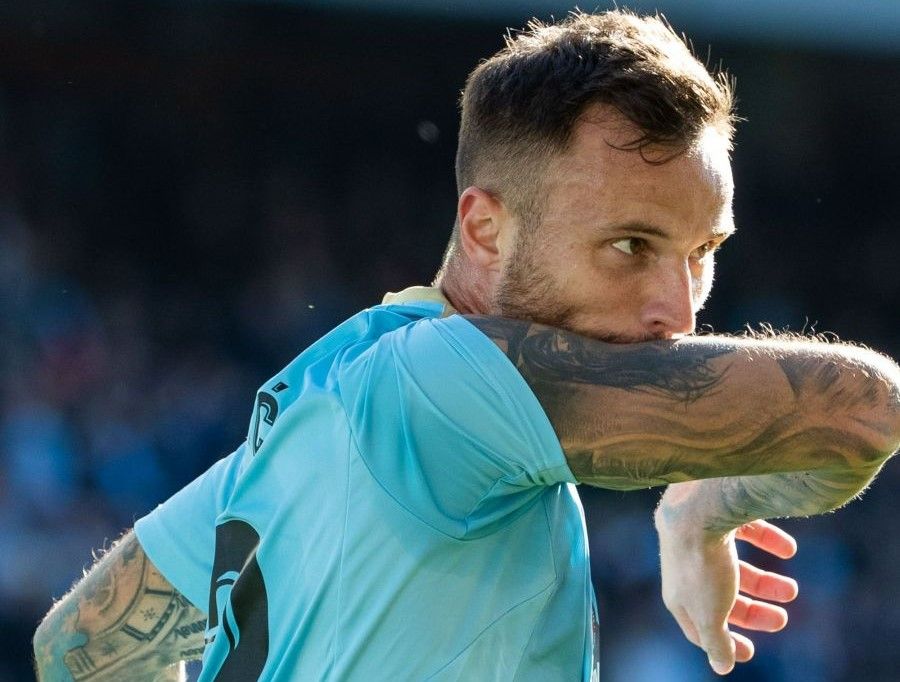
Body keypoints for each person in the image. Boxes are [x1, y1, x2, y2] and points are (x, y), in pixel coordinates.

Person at [33, 9, 900, 681]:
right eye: (630, 247)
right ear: (485, 230)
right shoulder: (447, 387)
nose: (677, 310)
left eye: (704, 254)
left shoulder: (327, 395)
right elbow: (863, 411)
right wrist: (701, 507)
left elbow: (82, 645)